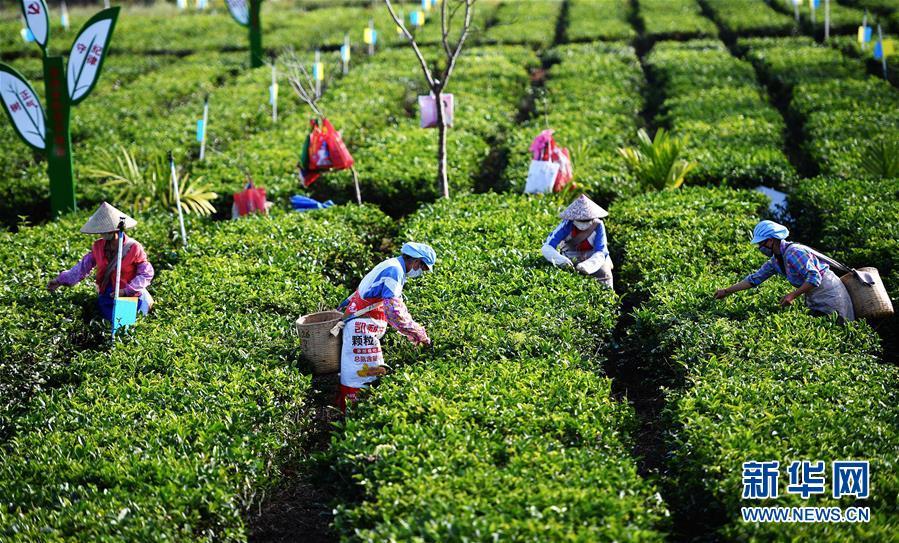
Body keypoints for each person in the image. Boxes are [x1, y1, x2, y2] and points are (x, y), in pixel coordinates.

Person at [335, 242, 435, 411]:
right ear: (417, 262)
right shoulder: (394, 270)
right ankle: (354, 414)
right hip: (362, 329)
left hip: (364, 328)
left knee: (365, 372)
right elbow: (394, 311)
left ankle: (351, 411)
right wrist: (418, 334)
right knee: (363, 375)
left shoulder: (393, 266)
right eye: (423, 269)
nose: (421, 273)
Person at [714, 220, 854, 322]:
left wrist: (792, 295)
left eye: (761, 244)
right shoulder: (776, 260)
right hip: (814, 295)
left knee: (838, 326)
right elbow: (754, 279)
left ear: (770, 241)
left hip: (830, 293)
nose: (760, 248)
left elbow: (814, 277)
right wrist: (726, 291)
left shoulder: (794, 252)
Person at [47, 202, 154, 321]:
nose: (102, 233)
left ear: (115, 229)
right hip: (106, 296)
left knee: (123, 327)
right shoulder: (98, 246)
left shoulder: (134, 247)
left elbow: (146, 273)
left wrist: (126, 290)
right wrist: (59, 280)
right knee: (108, 327)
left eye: (106, 230)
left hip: (127, 297)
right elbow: (82, 268)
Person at [542, 194, 613, 288]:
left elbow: (601, 251)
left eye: (587, 220)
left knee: (605, 274)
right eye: (580, 220)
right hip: (571, 254)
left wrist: (588, 265)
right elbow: (548, 246)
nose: (583, 223)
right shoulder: (567, 225)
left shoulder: (598, 225)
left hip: (593, 256)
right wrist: (562, 261)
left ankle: (608, 296)